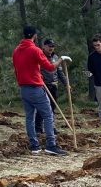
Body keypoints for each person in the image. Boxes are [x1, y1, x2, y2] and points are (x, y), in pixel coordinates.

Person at [13, 25, 68, 155]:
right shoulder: (35, 50)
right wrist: (61, 59)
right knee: (48, 115)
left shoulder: (16, 51)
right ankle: (51, 145)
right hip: (35, 87)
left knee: (29, 117)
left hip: (24, 88)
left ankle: (34, 145)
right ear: (34, 35)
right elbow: (50, 67)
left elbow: (17, 70)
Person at [35, 38, 68, 136]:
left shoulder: (55, 57)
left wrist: (66, 84)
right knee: (41, 108)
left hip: (54, 85)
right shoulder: (40, 56)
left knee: (52, 108)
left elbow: (60, 73)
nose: (51, 48)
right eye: (49, 46)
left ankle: (51, 127)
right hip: (43, 86)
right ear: (43, 46)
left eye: (52, 46)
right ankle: (38, 129)